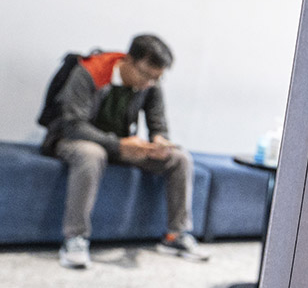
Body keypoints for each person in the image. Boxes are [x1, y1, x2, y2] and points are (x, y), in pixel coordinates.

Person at [38, 34, 209, 268]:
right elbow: (73, 125)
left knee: (180, 158)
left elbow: (158, 123)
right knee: (92, 154)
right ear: (127, 60)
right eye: (145, 75)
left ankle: (175, 236)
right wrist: (119, 144)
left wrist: (160, 141)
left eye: (156, 78)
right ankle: (75, 238)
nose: (149, 83)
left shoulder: (150, 83)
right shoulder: (89, 72)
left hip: (119, 145)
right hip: (73, 139)